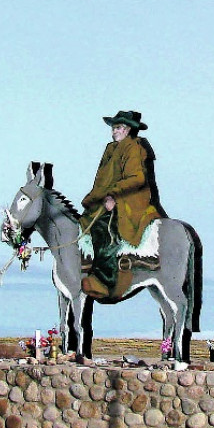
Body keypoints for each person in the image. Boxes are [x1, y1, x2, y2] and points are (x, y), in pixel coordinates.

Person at [80, 110, 166, 298]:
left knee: (104, 229)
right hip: (107, 197)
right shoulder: (110, 149)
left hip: (130, 199)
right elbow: (102, 180)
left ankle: (105, 280)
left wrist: (113, 196)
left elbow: (137, 178)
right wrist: (95, 197)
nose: (114, 132)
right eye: (113, 127)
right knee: (85, 222)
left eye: (118, 127)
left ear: (128, 130)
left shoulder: (133, 148)